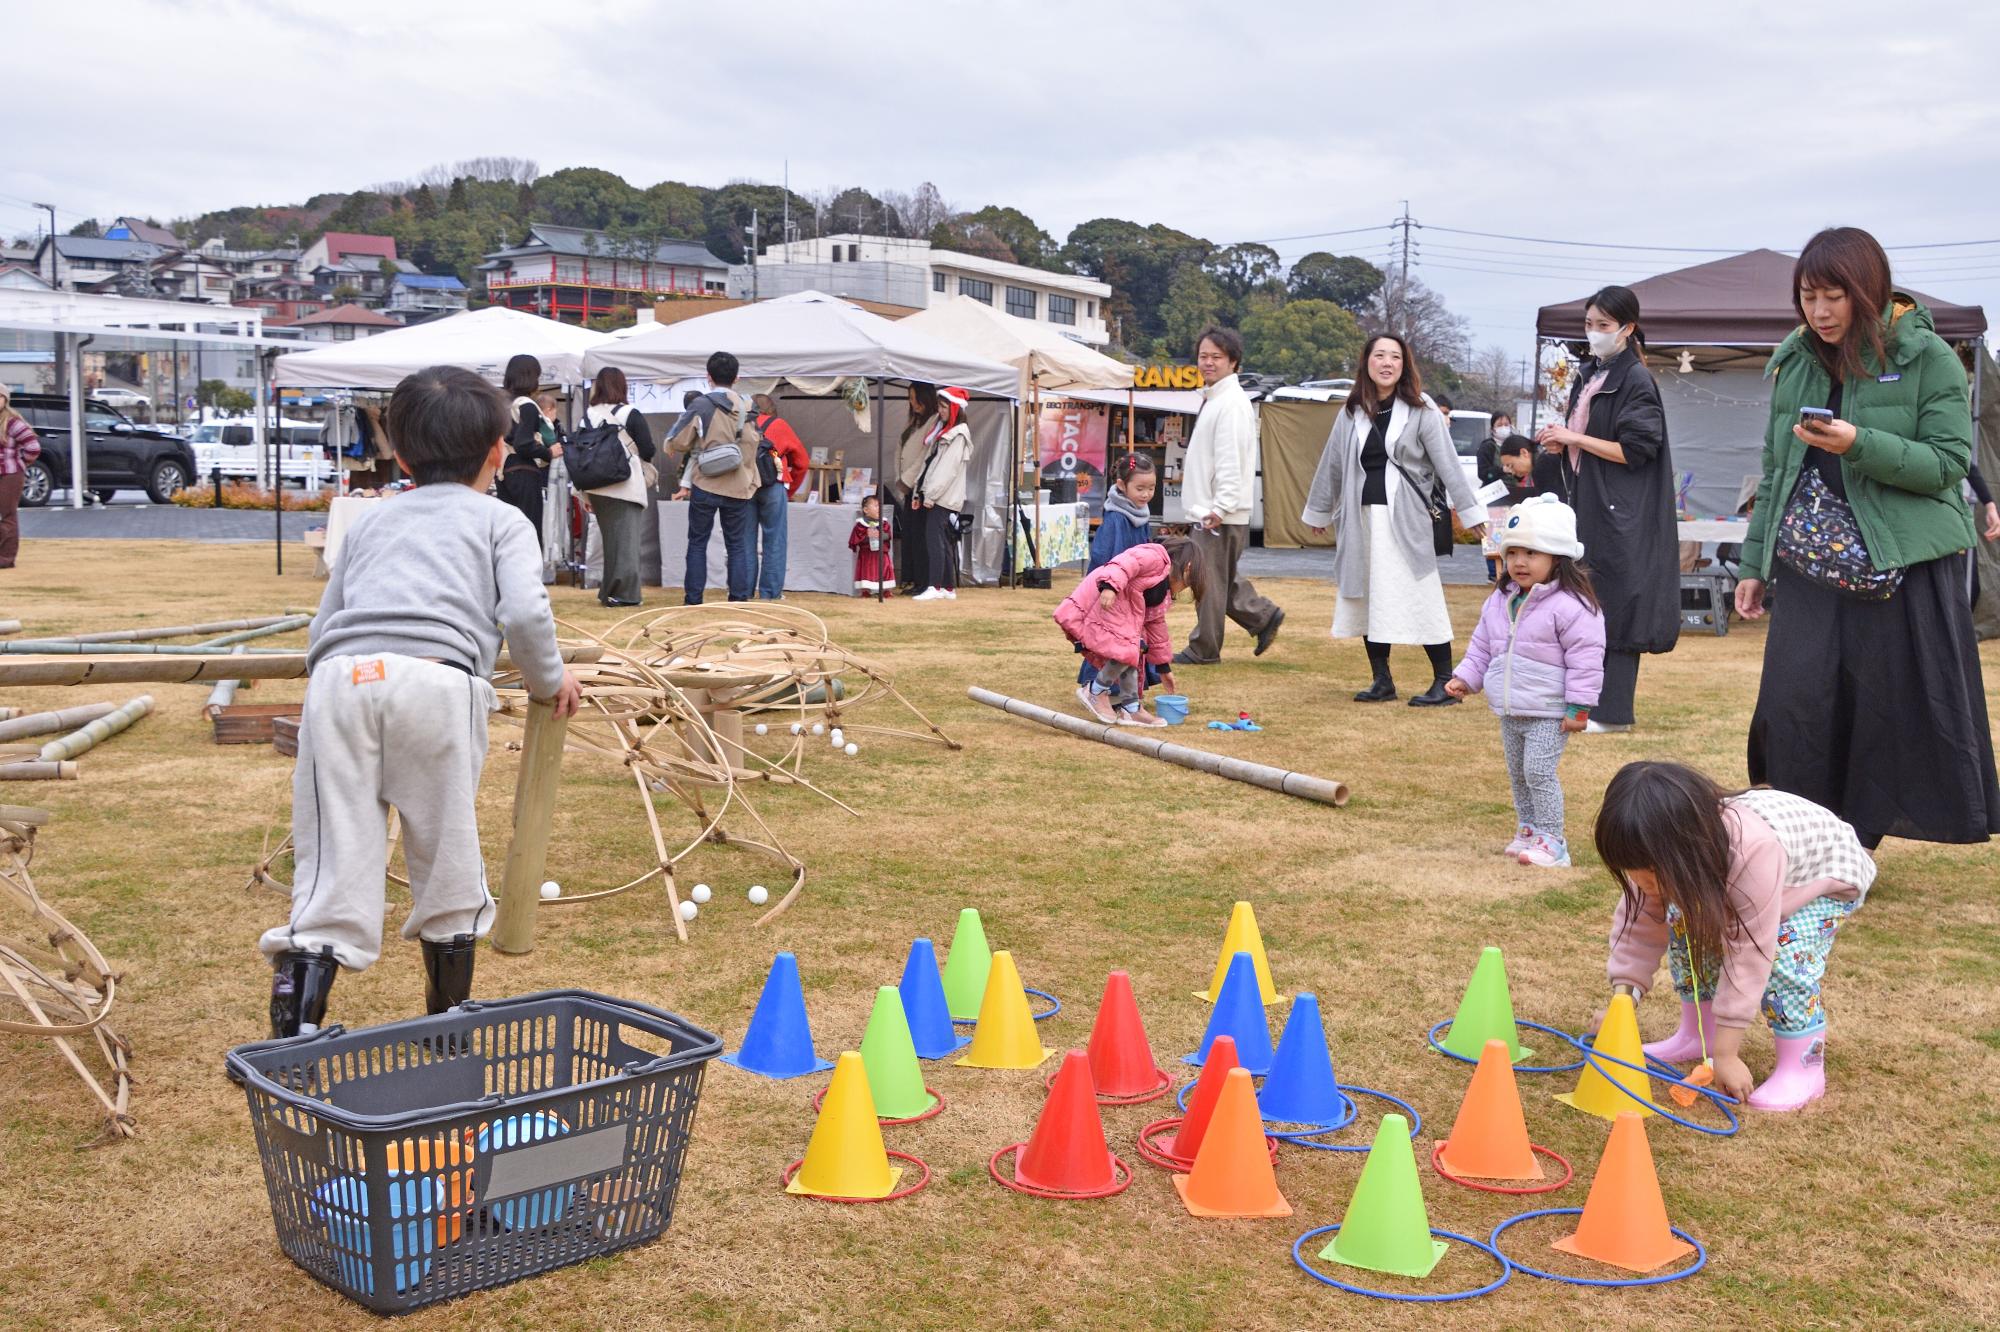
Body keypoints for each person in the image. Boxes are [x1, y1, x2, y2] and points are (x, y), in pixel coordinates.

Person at [259, 366, 584, 1038]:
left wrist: (332, 693)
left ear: (401, 456)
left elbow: (326, 624)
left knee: (333, 851)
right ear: (498, 451)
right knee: (446, 848)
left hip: (343, 681)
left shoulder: (372, 520)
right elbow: (524, 615)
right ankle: (447, 1027)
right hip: (440, 684)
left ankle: (294, 1023)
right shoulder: (502, 520)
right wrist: (550, 682)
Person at [1736, 226, 2000, 848]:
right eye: (1808, 296)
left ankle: (1853, 846)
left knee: (1883, 714)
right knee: (1795, 704)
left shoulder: (1928, 356)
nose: (1820, 312)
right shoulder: (1796, 358)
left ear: (1868, 291)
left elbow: (1947, 462)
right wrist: (1754, 563)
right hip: (1809, 564)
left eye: (1834, 296)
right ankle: (1804, 837)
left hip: (1901, 565)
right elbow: (1776, 472)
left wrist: (1860, 443)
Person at [1594, 761, 1876, 1111]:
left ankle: (1803, 1063)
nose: (1644, 884)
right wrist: (1623, 1002)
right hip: (1738, 879)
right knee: (1683, 922)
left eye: (1651, 874)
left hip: (1816, 881)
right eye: (1633, 874)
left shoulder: (1751, 849)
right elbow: (1639, 927)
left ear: (1684, 848)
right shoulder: (1660, 854)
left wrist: (1726, 1055)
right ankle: (1701, 1032)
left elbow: (1749, 951)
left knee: (1783, 950)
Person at [1302, 332, 1487, 705]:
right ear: (1366, 362)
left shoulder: (1421, 409)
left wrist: (1470, 514)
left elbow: (1448, 464)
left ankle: (1445, 682)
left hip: (1405, 520)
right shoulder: (1352, 410)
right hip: (1361, 518)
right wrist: (1320, 509)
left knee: (1421, 595)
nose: (1387, 363)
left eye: (1395, 357)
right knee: (1368, 596)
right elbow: (1332, 463)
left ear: (1404, 366)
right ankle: (1382, 681)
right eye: (1379, 356)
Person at [1535, 286, 1677, 732]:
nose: (1593, 334)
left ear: (1627, 329)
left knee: (1616, 603)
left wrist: (1574, 439)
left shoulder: (1634, 379)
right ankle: (1583, 702)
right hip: (1588, 503)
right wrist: (1561, 439)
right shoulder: (1591, 374)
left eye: (1603, 326)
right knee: (1584, 601)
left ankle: (1614, 712)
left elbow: (1636, 449)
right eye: (1588, 324)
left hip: (1621, 511)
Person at [1446, 497, 1605, 867]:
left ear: (1558, 556)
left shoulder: (1572, 605)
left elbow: (1586, 660)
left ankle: (1554, 840)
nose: (1519, 562)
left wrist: (1579, 708)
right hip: (1511, 707)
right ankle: (1529, 828)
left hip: (1548, 710)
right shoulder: (1501, 599)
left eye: (1531, 552)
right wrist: (1465, 678)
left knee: (1538, 771)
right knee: (1518, 774)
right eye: (1513, 552)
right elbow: (1483, 645)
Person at [1172, 327, 1284, 664]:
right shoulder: (1216, 399)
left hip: (1218, 511)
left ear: (1233, 362)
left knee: (1208, 580)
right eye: (1204, 356)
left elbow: (1231, 461)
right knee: (1216, 576)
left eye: (1216, 357)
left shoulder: (1231, 403)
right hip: (1212, 509)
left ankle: (1204, 649)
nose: (1208, 362)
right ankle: (1262, 615)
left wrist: (1219, 507)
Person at [1054, 537, 1194, 727]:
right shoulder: (1154, 557)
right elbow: (1123, 563)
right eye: (1188, 585)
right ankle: (1095, 691)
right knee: (1127, 650)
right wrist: (1110, 587)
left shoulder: (1164, 592)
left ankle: (1131, 707)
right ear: (1188, 568)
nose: (1184, 589)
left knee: (1134, 650)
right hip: (1102, 599)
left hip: (1119, 609)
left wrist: (1163, 667)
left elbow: (1156, 626)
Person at [663, 351, 762, 604]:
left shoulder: (702, 404)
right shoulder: (748, 406)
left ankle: (694, 598)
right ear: (736, 378)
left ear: (708, 377)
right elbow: (754, 444)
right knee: (737, 544)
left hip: (706, 482)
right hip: (739, 484)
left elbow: (679, 440)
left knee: (698, 542)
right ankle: (739, 598)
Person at [1078, 454, 1162, 690]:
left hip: (1133, 590)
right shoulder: (1116, 518)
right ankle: (1098, 686)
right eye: (1140, 488)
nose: (1146, 494)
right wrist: (1108, 587)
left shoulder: (1141, 513)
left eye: (1151, 488)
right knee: (1110, 639)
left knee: (1131, 638)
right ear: (1121, 485)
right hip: (1112, 591)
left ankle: (1126, 690)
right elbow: (1105, 556)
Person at [579, 367, 656, 608]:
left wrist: (583, 492)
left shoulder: (588, 415)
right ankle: (627, 594)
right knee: (627, 543)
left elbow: (580, 453)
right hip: (626, 484)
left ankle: (609, 591)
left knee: (611, 542)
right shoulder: (630, 413)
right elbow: (648, 448)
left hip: (598, 486)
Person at [909, 385, 972, 602]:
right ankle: (946, 586)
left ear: (954, 408)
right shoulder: (945, 433)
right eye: (940, 406)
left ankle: (935, 585)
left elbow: (946, 470)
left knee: (934, 539)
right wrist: (920, 491)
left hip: (942, 496)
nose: (941, 411)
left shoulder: (957, 435)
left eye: (944, 407)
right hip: (939, 494)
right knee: (942, 540)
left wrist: (930, 495)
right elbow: (930, 464)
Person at [750, 393, 811, 601]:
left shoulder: (739, 424)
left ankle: (743, 589)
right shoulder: (780, 425)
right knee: (774, 539)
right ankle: (770, 592)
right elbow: (802, 461)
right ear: (771, 410)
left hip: (745, 486)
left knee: (744, 540)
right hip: (774, 486)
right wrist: (790, 489)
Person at [496, 354, 559, 533]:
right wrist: (548, 453)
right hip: (523, 471)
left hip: (503, 471)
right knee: (529, 530)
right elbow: (523, 443)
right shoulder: (526, 405)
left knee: (508, 531)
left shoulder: (501, 403)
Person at [1483, 436, 1561, 578]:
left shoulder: (1542, 466)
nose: (1511, 471)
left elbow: (1549, 506)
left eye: (1511, 465)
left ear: (1524, 453)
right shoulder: (1545, 459)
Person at [894, 384, 939, 594]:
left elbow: (924, 455)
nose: (912, 403)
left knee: (920, 536)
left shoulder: (933, 421)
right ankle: (909, 578)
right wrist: (899, 478)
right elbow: (900, 450)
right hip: (907, 485)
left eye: (915, 398)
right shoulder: (913, 422)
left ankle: (922, 581)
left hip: (919, 487)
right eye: (910, 398)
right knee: (909, 535)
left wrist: (908, 480)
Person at [0, 388, 42, 570]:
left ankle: (6, 557)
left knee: (8, 514)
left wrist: (19, 463)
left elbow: (33, 447)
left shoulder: (12, 422)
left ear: (5, 399)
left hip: (10, 474)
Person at [849, 493, 894, 595]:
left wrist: (880, 534)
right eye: (875, 506)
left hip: (882, 553)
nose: (879, 508)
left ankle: (886, 590)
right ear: (866, 510)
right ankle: (865, 590)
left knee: (884, 569)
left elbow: (889, 536)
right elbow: (856, 539)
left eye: (879, 506)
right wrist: (866, 536)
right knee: (867, 571)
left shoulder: (884, 523)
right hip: (867, 554)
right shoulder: (860, 524)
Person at [1475, 411, 1515, 486]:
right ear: (1492, 429)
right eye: (1499, 425)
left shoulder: (1515, 445)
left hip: (1514, 490)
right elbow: (1483, 474)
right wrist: (1502, 470)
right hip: (1494, 491)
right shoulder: (1487, 447)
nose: (1503, 427)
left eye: (1506, 425)